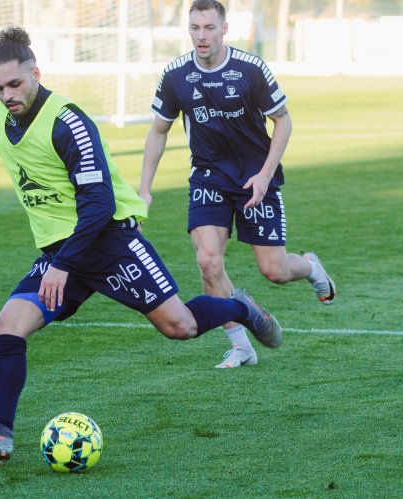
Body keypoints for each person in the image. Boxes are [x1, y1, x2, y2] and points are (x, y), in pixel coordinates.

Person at [0, 26, 281, 463]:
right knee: (6, 328)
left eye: (15, 84)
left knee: (179, 326)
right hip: (60, 255)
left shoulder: (68, 122)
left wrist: (64, 264)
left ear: (36, 72)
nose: (7, 94)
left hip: (109, 240)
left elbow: (99, 203)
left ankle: (242, 308)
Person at [140, 0, 335, 369]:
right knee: (208, 262)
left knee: (274, 271)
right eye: (195, 28)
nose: (202, 36)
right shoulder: (176, 75)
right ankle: (241, 343)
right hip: (208, 177)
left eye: (209, 28)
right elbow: (158, 131)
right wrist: (145, 189)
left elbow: (284, 121)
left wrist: (264, 174)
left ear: (224, 29)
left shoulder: (250, 69)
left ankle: (310, 267)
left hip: (253, 178)